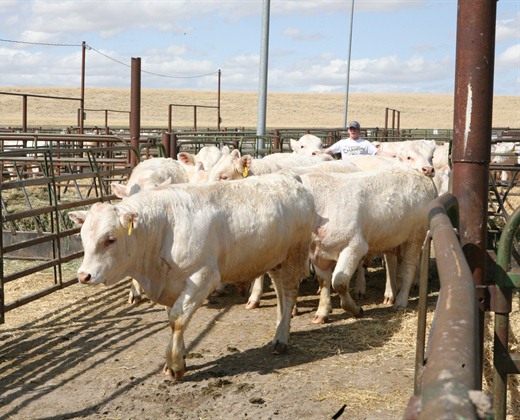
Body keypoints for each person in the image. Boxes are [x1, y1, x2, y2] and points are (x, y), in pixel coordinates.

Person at [324, 121, 395, 159]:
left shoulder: (365, 143)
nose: (352, 131)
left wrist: (394, 155)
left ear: (359, 131)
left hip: (360, 170)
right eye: (351, 129)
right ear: (348, 131)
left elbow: (377, 153)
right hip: (346, 169)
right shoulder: (342, 143)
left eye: (355, 129)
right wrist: (316, 152)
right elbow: (328, 151)